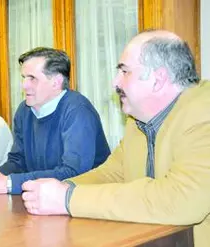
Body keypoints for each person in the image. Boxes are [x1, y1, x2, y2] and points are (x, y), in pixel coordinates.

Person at [21, 30, 210, 247]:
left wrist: (67, 198)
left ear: (158, 79)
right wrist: (58, 188)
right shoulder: (137, 121)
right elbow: (113, 173)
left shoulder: (204, 113)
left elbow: (180, 199)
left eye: (125, 72)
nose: (115, 82)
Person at [0, 47, 110, 195]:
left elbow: (74, 173)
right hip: (44, 200)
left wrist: (7, 184)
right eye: (23, 78)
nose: (24, 85)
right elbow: (18, 162)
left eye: (32, 78)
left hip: (87, 202)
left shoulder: (78, 110)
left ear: (56, 82)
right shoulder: (24, 110)